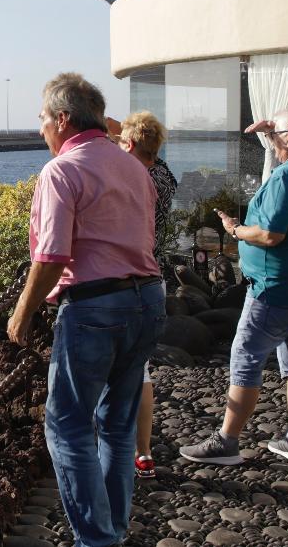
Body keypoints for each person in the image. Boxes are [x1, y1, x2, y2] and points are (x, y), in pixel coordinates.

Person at [7, 73, 165, 547]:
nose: (39, 131)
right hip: (148, 299)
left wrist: (22, 312)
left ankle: (97, 540)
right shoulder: (134, 166)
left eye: (41, 120)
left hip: (95, 306)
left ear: (61, 118)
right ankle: (112, 531)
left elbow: (52, 256)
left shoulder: (61, 170)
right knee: (117, 427)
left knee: (67, 428)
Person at [178, 105, 288, 465]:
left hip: (273, 290)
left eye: (278, 137)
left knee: (245, 359)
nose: (274, 143)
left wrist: (234, 230)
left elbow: (270, 234)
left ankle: (227, 442)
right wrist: (275, 133)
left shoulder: (287, 178)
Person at [108, 111, 177, 479]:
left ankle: (109, 452)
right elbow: (151, 155)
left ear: (130, 145)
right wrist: (127, 134)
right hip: (155, 280)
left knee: (105, 369)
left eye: (122, 144)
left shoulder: (128, 180)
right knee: (140, 370)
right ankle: (143, 453)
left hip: (121, 281)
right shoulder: (164, 177)